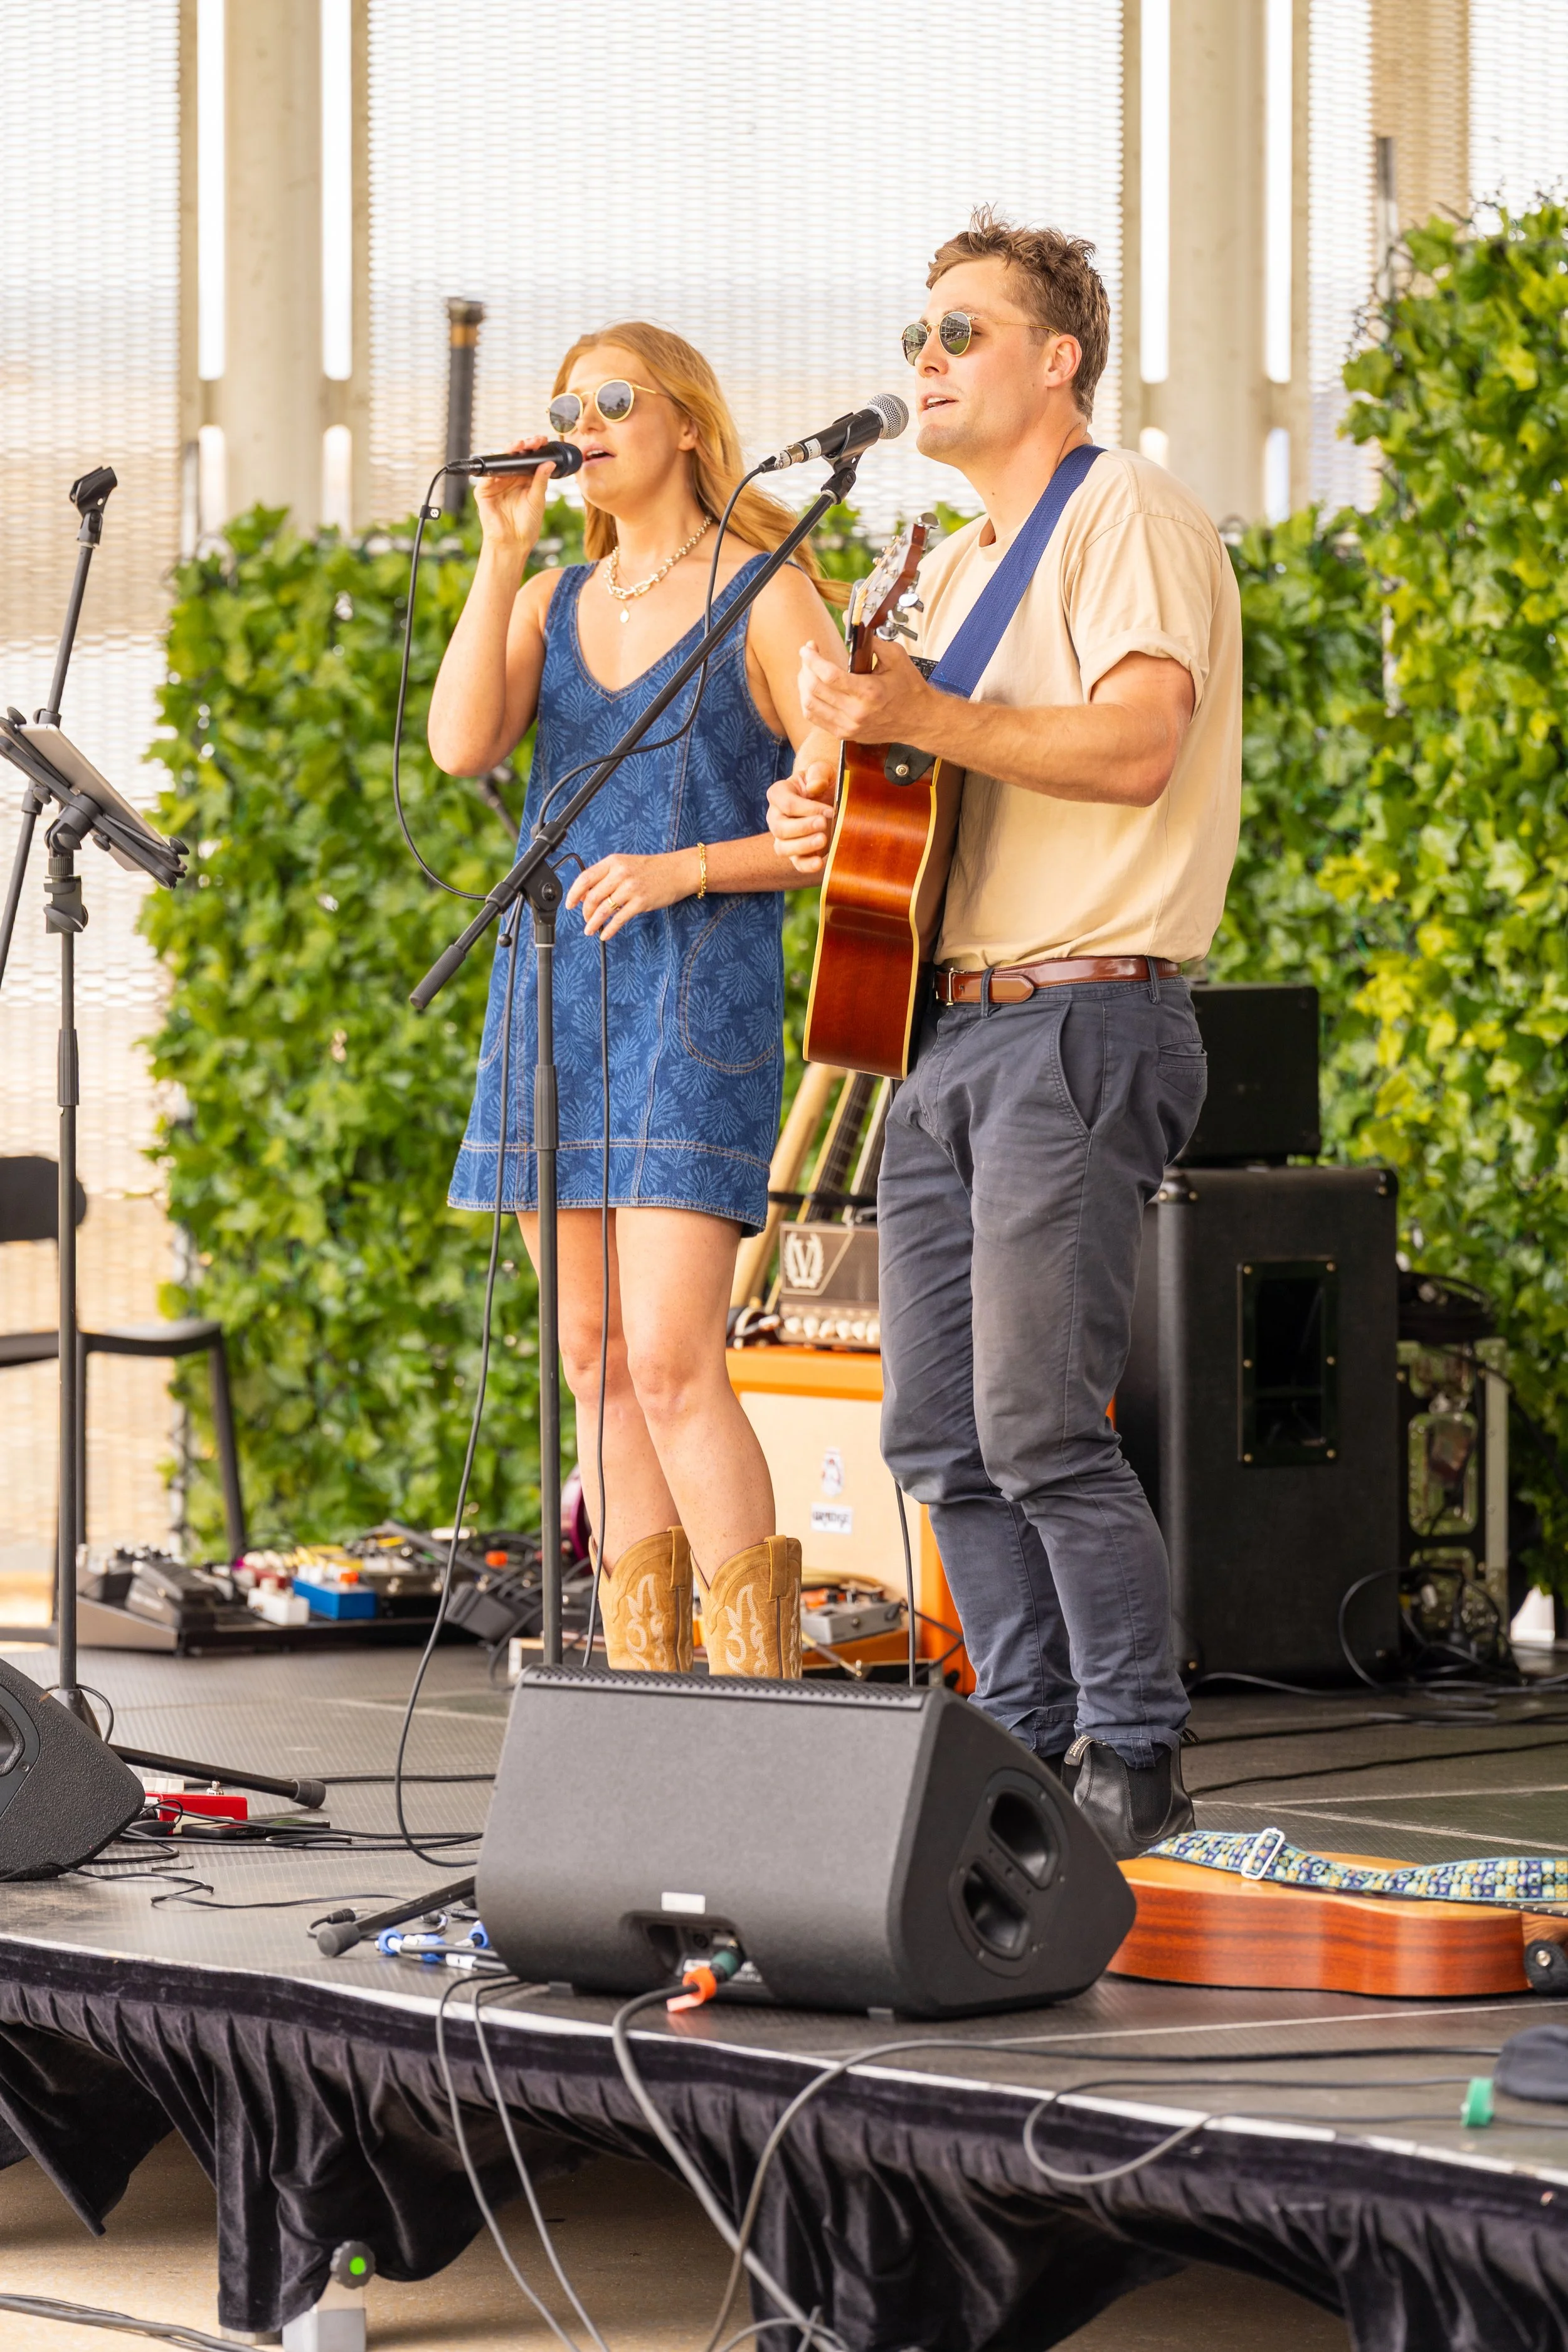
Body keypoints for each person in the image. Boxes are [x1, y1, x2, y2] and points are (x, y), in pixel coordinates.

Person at [768, 212, 1242, 1856]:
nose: (926, 361)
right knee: (932, 1430)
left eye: (962, 333)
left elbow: (1130, 745)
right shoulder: (944, 563)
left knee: (1038, 1416)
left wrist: (916, 717)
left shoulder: (1128, 510)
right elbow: (920, 800)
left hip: (1081, 1012)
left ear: (1058, 357)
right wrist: (825, 798)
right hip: (946, 1027)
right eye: (917, 337)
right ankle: (1027, 1740)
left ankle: (1133, 1742)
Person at [428, 321, 847, 1679]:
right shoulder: (552, 600)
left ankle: (758, 1699)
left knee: (672, 1360)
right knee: (594, 1361)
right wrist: (499, 556)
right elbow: (457, 747)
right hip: (555, 995)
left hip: (696, 995)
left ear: (683, 422)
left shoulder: (769, 591)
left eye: (613, 399)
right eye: (567, 403)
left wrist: (684, 867)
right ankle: (648, 1694)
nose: (584, 421)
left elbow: (833, 830)